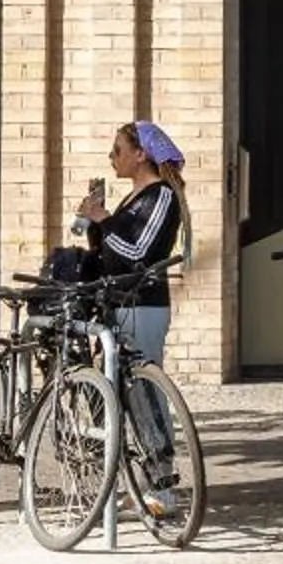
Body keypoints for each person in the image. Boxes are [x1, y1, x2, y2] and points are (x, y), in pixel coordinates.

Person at [80, 121, 189, 511]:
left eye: (118, 151)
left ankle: (162, 486)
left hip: (142, 304)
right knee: (120, 395)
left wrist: (104, 220)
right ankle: (130, 480)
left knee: (146, 392)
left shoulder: (160, 196)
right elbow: (111, 252)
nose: (112, 159)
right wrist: (96, 225)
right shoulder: (133, 199)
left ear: (140, 154)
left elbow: (139, 252)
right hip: (116, 304)